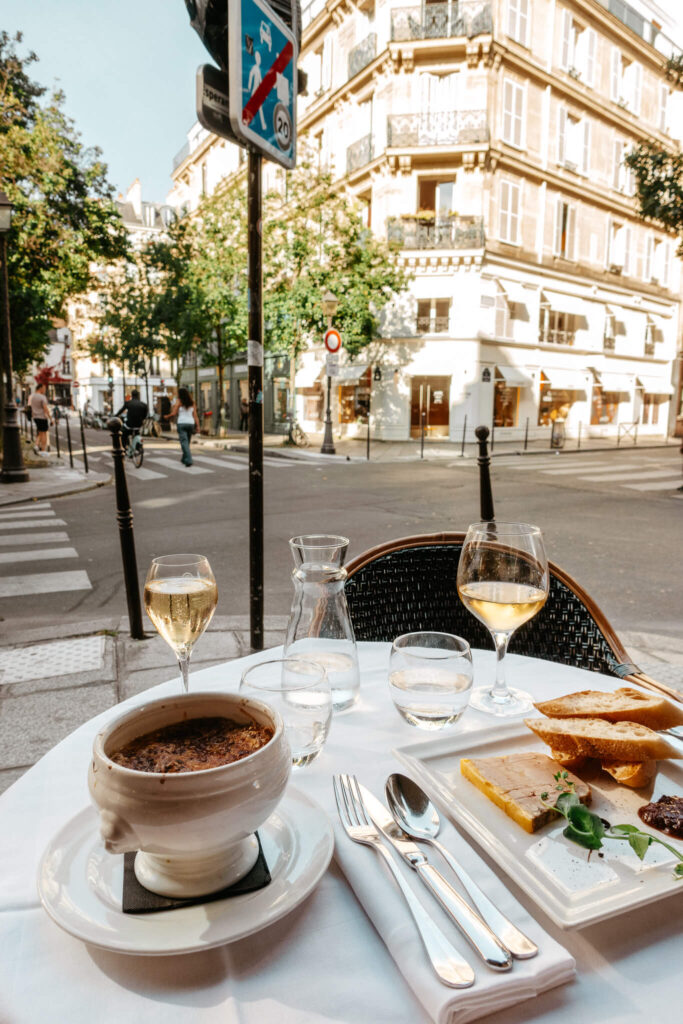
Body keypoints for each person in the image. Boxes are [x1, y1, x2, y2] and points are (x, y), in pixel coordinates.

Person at [169, 387, 200, 466]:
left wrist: (167, 416)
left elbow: (174, 412)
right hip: (190, 424)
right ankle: (184, 458)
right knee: (187, 442)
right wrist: (198, 426)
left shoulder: (179, 401)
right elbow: (195, 415)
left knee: (184, 443)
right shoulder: (192, 402)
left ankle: (189, 459)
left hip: (182, 423)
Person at [29, 383, 53, 455]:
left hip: (35, 417)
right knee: (44, 434)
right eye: (44, 388)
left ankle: (36, 446)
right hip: (42, 417)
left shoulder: (33, 397)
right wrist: (51, 419)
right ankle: (43, 450)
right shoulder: (42, 397)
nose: (45, 390)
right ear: (40, 388)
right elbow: (45, 409)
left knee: (39, 432)